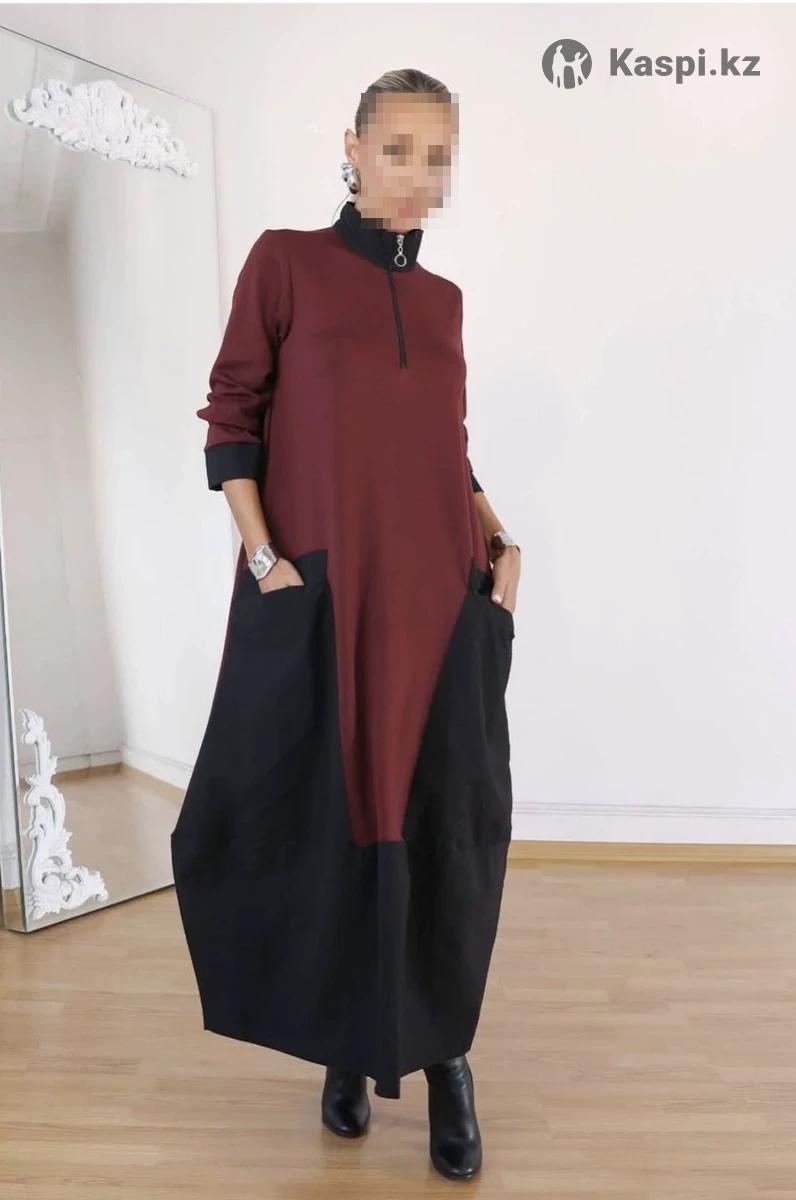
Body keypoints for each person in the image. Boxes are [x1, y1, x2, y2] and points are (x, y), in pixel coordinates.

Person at [170, 67, 521, 1181]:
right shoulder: (284, 262)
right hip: (322, 596)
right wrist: (264, 559)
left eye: (437, 157)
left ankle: (447, 1060)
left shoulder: (445, 302)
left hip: (436, 601)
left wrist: (503, 545)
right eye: (399, 149)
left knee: (443, 827)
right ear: (354, 147)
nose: (418, 176)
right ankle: (344, 1043)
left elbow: (444, 444)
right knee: (323, 820)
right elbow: (232, 411)